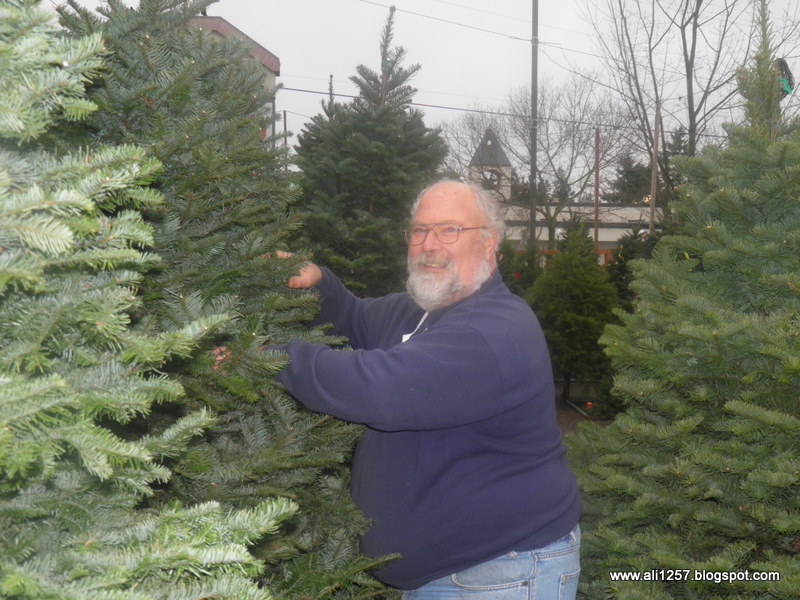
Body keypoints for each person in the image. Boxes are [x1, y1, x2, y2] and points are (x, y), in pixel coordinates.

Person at [274, 180, 581, 599]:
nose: (429, 244)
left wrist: (270, 356)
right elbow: (355, 319)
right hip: (449, 576)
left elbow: (382, 388)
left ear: (489, 242)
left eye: (449, 230)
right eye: (419, 230)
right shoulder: (420, 310)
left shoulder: (493, 328)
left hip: (498, 573)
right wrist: (319, 284)